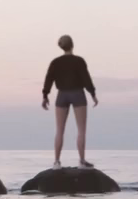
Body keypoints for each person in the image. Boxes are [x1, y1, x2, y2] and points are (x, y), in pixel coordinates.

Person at [40, 34, 99, 167]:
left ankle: (56, 162)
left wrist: (45, 96)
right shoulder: (79, 61)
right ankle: (82, 161)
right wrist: (93, 94)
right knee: (81, 130)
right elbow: (86, 78)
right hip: (78, 93)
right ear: (72, 45)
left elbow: (48, 79)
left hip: (62, 95)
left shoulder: (55, 62)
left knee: (59, 130)